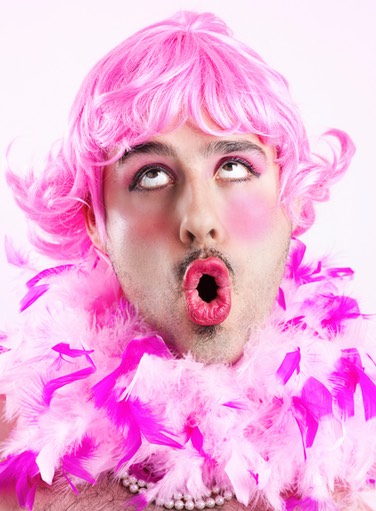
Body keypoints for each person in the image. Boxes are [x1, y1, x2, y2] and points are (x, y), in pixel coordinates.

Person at [0, 10, 375, 511]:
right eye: (151, 175)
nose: (198, 219)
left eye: (235, 166)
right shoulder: (16, 451)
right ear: (97, 222)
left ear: (295, 201)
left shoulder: (359, 462)